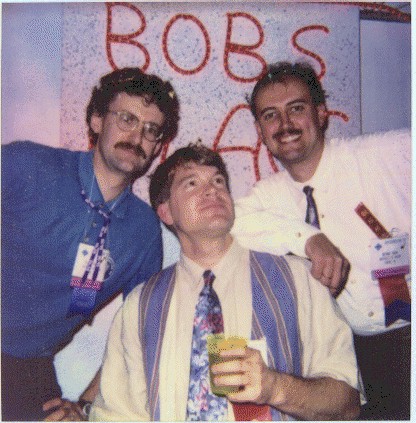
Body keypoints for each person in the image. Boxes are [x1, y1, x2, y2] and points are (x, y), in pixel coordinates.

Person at [90, 144, 362, 421]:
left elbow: (347, 402)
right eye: (191, 183)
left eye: (218, 181)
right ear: (166, 212)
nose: (212, 190)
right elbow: (116, 415)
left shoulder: (300, 280)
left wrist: (276, 388)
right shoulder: (140, 306)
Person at [231, 61, 411, 420]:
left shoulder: (384, 154)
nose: (285, 124)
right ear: (260, 130)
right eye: (271, 115)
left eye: (296, 108)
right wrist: (309, 239)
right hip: (355, 357)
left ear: (321, 112)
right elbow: (229, 223)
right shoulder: (269, 196)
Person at [1, 67, 180, 421]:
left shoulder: (144, 231)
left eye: (151, 130)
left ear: (158, 146)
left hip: (28, 365)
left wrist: (86, 404)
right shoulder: (27, 164)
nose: (137, 136)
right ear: (97, 120)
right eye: (127, 119)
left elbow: (141, 332)